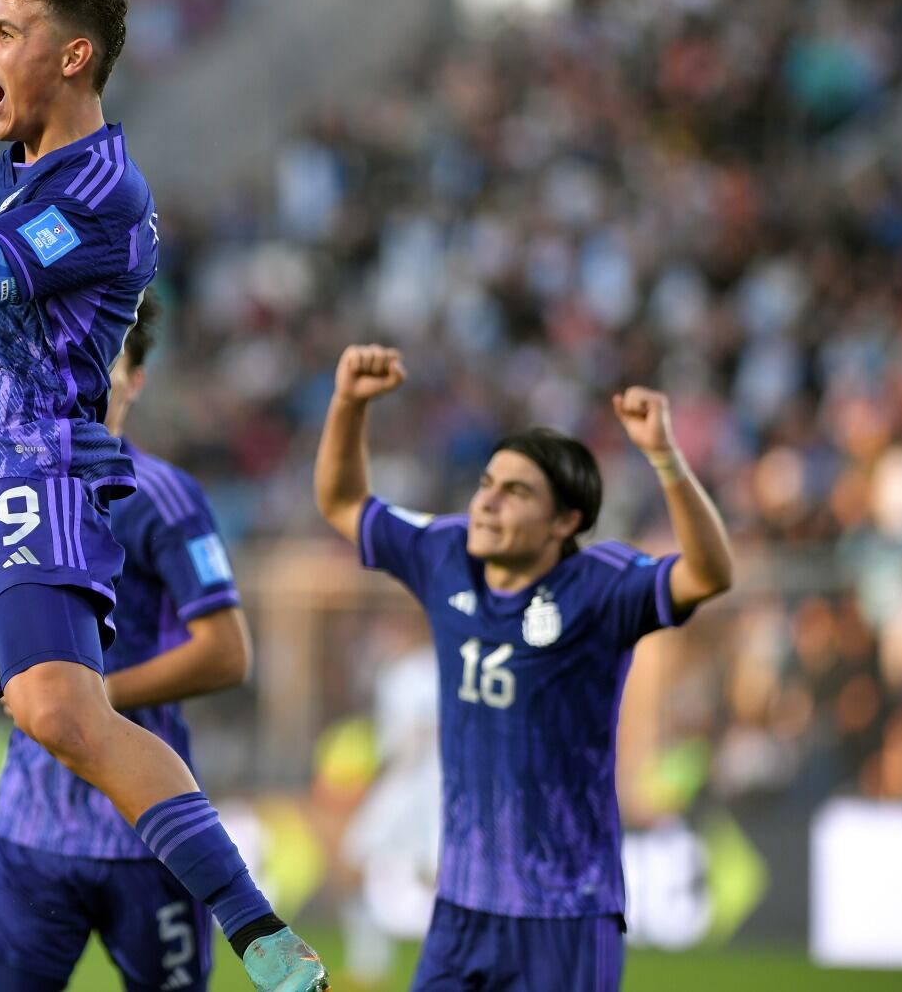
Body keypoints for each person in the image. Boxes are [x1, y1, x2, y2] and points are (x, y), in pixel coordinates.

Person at [0, 0, 326, 992]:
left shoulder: (104, 185)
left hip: (30, 478)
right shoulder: (13, 177)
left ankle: (260, 936)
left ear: (72, 56)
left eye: (5, 31)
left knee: (60, 712)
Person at [314, 344, 735, 991]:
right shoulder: (445, 552)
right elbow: (344, 503)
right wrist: (348, 404)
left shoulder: (601, 587)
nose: (487, 503)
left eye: (515, 493)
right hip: (461, 911)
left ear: (564, 521)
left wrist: (666, 459)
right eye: (487, 485)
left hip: (564, 916)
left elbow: (709, 573)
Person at [0, 294, 254, 991]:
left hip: (148, 837)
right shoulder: (7, 490)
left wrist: (94, 699)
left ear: (136, 378)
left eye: (104, 354)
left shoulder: (161, 496)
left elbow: (228, 651)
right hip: (28, 831)